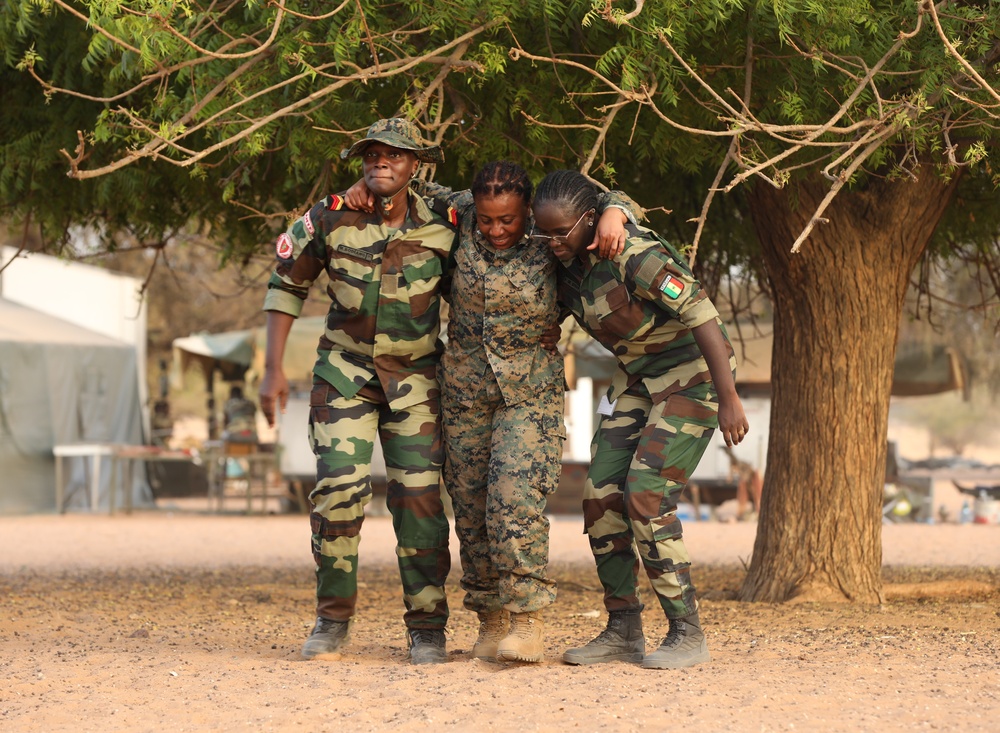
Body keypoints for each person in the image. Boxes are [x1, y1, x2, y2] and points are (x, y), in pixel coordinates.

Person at [345, 162, 637, 663]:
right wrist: (361, 186)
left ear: (528, 210)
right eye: (487, 221)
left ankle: (527, 622)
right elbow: (408, 187)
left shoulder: (549, 235)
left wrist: (616, 211)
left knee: (514, 497)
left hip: (529, 393)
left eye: (509, 220)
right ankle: (491, 618)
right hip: (464, 393)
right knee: (474, 508)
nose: (498, 230)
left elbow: (601, 200)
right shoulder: (458, 213)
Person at [258, 118, 459, 665]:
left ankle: (427, 628)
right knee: (340, 490)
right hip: (344, 373)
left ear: (415, 164)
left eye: (394, 155)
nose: (381, 162)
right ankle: (332, 619)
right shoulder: (328, 216)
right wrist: (272, 369)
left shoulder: (447, 220)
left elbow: (502, 220)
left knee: (419, 498)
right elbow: (285, 284)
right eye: (371, 154)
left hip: (417, 380)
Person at [530, 169, 749, 670]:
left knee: (646, 496)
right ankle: (622, 629)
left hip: (694, 376)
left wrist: (729, 397)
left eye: (560, 232)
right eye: (543, 233)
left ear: (589, 220)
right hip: (639, 378)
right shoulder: (562, 259)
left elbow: (702, 315)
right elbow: (574, 304)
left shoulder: (633, 254)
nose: (550, 242)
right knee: (600, 496)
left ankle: (687, 632)